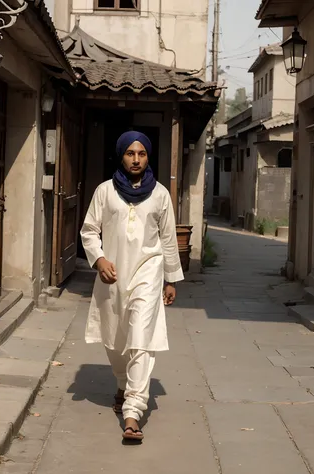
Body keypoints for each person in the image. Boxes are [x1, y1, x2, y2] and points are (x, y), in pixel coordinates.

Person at [80, 131, 184, 441]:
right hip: (112, 276)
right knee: (114, 338)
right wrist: (99, 260)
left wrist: (170, 279)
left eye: (141, 153)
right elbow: (89, 231)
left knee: (141, 339)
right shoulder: (104, 191)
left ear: (148, 156)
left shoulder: (160, 194)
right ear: (121, 156)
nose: (136, 159)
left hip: (148, 275)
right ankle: (123, 383)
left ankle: (133, 411)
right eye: (130, 153)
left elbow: (167, 239)